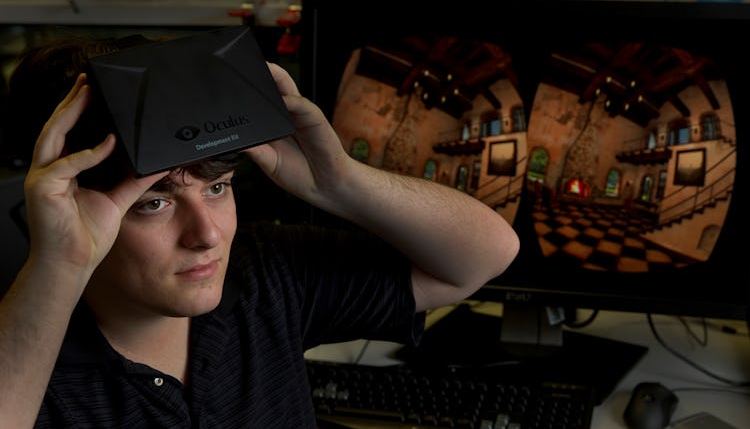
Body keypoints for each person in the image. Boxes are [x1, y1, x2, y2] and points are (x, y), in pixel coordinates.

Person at [0, 33, 519, 428]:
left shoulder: (264, 271)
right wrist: (59, 265)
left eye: (218, 188)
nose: (206, 235)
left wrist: (338, 184)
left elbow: (486, 254)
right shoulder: (27, 350)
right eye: (154, 204)